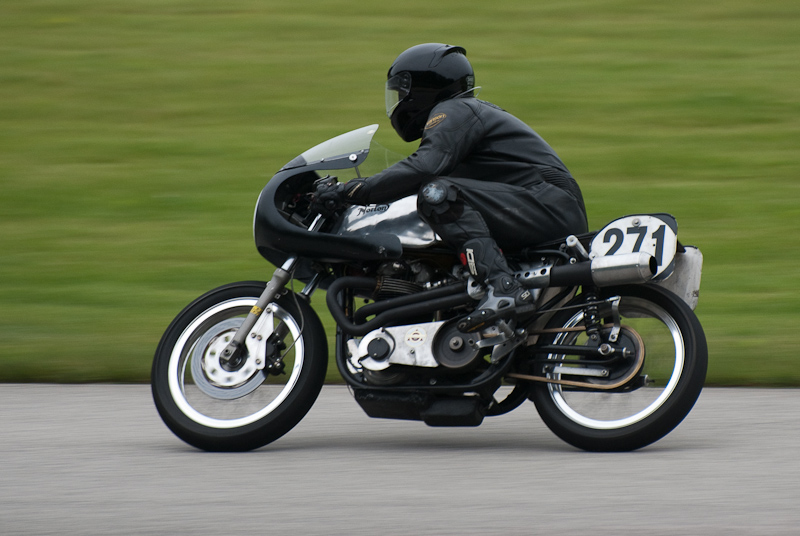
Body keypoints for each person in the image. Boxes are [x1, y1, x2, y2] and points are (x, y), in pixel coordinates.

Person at [315, 43, 588, 333]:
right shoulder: (467, 114)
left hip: (548, 203)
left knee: (437, 194)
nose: (398, 102)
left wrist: (351, 191)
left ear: (423, 88)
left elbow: (423, 167)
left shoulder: (455, 110)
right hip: (541, 205)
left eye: (401, 92)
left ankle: (502, 288)